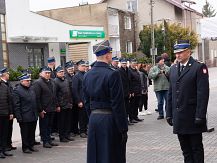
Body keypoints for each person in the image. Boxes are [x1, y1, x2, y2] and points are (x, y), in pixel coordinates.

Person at [83, 40, 128, 163]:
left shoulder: (87, 75)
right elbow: (117, 103)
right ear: (108, 55)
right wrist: (123, 128)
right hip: (109, 120)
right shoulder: (113, 74)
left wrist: (91, 117)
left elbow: (86, 102)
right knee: (111, 155)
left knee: (95, 155)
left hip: (94, 118)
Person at [166, 40, 209, 163]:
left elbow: (203, 94)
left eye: (180, 52)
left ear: (188, 52)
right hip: (179, 117)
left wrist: (200, 115)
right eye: (176, 53)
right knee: (185, 150)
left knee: (196, 149)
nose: (178, 55)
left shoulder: (198, 67)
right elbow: (171, 93)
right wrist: (169, 113)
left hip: (193, 117)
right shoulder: (173, 69)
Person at [33, 66, 59, 148]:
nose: (48, 74)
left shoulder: (52, 81)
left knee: (50, 125)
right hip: (44, 109)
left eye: (49, 73)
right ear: (41, 74)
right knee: (44, 125)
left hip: (52, 107)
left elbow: (55, 95)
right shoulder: (38, 83)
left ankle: (49, 139)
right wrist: (40, 110)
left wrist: (56, 105)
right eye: (46, 73)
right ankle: (45, 141)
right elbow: (37, 98)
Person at [13, 74, 38, 154]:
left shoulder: (31, 89)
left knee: (32, 132)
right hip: (24, 116)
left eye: (29, 81)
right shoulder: (17, 90)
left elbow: (35, 101)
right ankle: (25, 147)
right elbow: (16, 105)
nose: (29, 82)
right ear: (22, 81)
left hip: (33, 115)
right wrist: (19, 117)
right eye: (27, 81)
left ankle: (31, 145)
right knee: (25, 133)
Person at [54, 66, 74, 142]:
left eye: (63, 72)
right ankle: (62, 137)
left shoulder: (66, 80)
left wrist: (71, 102)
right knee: (61, 122)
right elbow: (55, 95)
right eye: (60, 72)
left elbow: (70, 92)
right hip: (61, 105)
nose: (62, 73)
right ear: (57, 73)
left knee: (68, 121)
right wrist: (57, 105)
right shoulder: (55, 81)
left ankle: (67, 135)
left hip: (68, 104)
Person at [0, 68, 17, 151]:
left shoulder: (7, 83)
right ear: (4, 74)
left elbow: (10, 98)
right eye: (8, 73)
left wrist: (12, 112)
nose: (9, 75)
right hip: (3, 111)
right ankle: (5, 146)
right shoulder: (3, 84)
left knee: (9, 129)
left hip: (8, 110)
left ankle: (8, 144)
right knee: (4, 130)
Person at [72, 60, 88, 138]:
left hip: (87, 99)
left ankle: (85, 130)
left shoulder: (86, 74)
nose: (84, 67)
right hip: (81, 100)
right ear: (78, 67)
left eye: (84, 66)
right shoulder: (76, 76)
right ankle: (82, 131)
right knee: (81, 117)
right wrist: (78, 101)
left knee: (86, 116)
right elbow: (75, 90)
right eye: (82, 66)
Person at [64, 61, 79, 137]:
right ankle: (70, 131)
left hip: (75, 98)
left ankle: (75, 129)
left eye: (72, 68)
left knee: (76, 116)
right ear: (66, 69)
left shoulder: (75, 75)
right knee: (70, 117)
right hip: (69, 99)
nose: (71, 70)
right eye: (69, 69)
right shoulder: (65, 77)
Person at [118, 58, 133, 125]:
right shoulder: (119, 71)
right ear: (120, 64)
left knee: (127, 107)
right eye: (123, 63)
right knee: (123, 108)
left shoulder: (128, 70)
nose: (124, 65)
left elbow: (129, 81)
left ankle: (127, 120)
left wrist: (130, 91)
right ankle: (124, 121)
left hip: (127, 92)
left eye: (125, 63)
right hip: (122, 92)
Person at [129, 59, 143, 123]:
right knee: (132, 105)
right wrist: (131, 91)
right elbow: (129, 82)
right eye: (133, 63)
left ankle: (135, 116)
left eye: (135, 63)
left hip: (138, 90)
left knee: (137, 104)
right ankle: (131, 118)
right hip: (133, 91)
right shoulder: (129, 71)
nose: (134, 64)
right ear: (130, 63)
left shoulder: (136, 70)